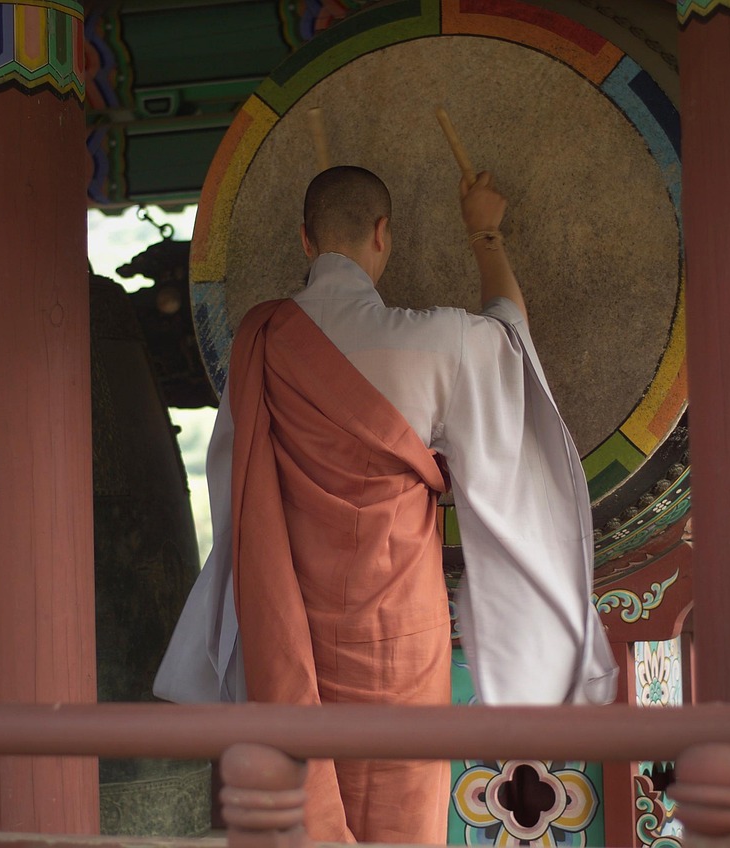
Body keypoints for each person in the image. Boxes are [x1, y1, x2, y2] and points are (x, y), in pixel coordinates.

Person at [154, 166, 617, 843]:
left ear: (305, 242)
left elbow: (233, 477)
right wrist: (484, 232)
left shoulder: (264, 335)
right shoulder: (439, 340)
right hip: (399, 625)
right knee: (401, 805)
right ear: (383, 234)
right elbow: (509, 336)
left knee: (295, 797)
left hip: (290, 625)